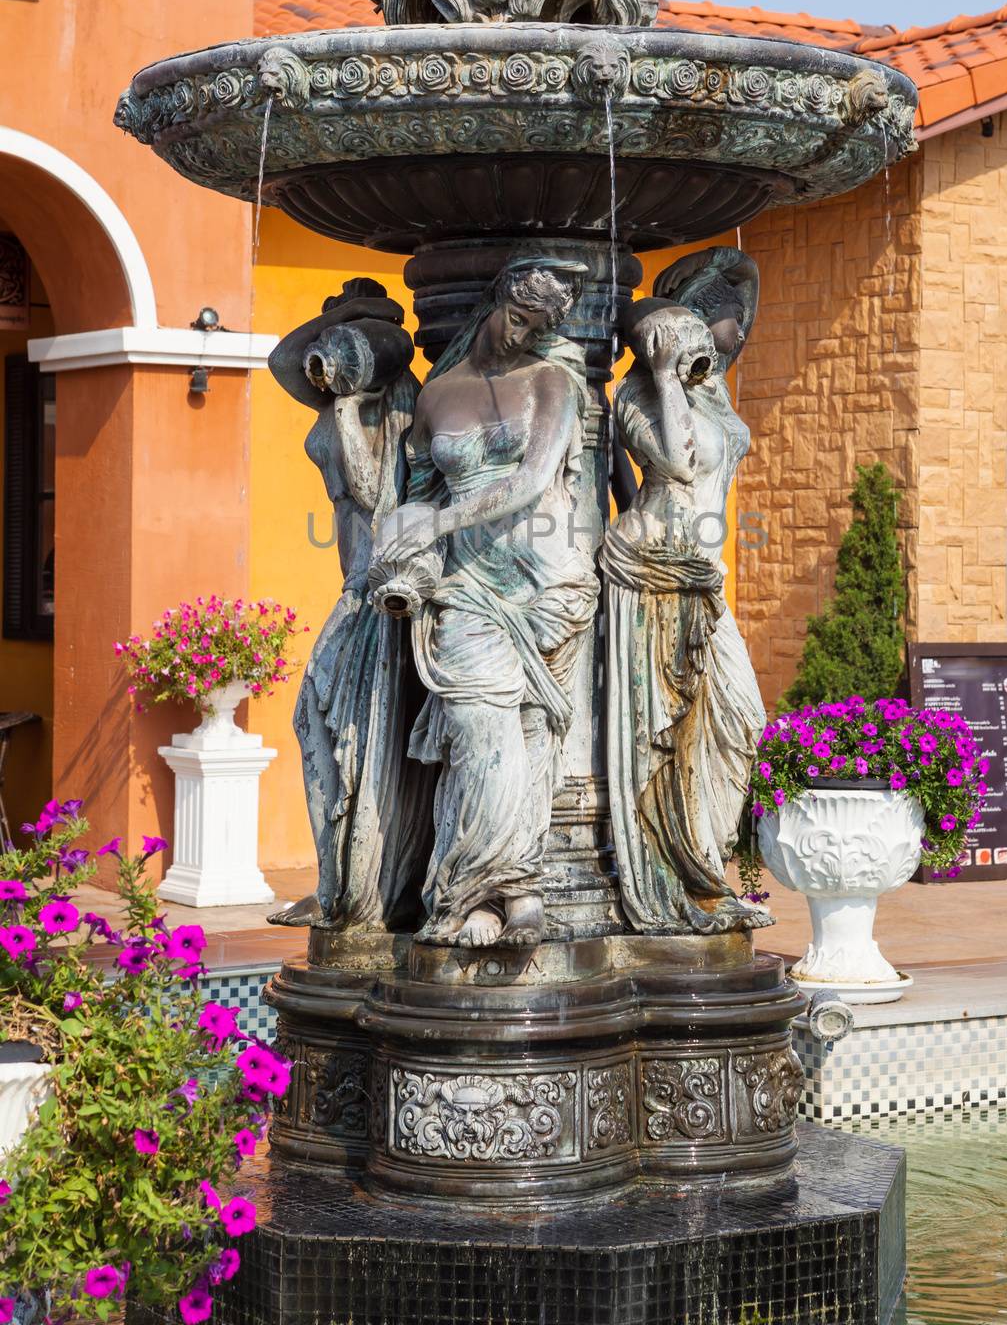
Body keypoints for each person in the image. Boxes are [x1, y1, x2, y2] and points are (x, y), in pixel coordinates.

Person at [371, 255, 598, 949]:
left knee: (530, 738)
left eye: (537, 328)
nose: (519, 336)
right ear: (495, 300)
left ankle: (514, 895)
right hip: (467, 583)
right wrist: (406, 540)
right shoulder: (439, 395)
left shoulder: (553, 381)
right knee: (477, 733)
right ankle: (479, 887)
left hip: (546, 578)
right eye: (516, 317)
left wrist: (439, 521)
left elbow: (532, 483)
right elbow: (414, 491)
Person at [602, 249, 770, 934]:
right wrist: (667, 376)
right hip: (658, 565)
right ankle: (679, 877)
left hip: (705, 573)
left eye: (729, 324)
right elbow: (671, 462)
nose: (735, 334)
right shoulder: (637, 395)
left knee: (739, 721)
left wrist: (733, 265)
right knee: (667, 730)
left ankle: (702, 862)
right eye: (723, 322)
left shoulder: (716, 394)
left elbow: (747, 283)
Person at [266, 281, 430, 929]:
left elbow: (371, 496)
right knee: (319, 728)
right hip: (353, 592)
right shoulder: (343, 389)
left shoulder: (395, 402)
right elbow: (284, 360)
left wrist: (347, 401)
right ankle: (337, 881)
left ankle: (355, 890)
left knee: (342, 735)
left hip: (378, 594)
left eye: (356, 335)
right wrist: (342, 345)